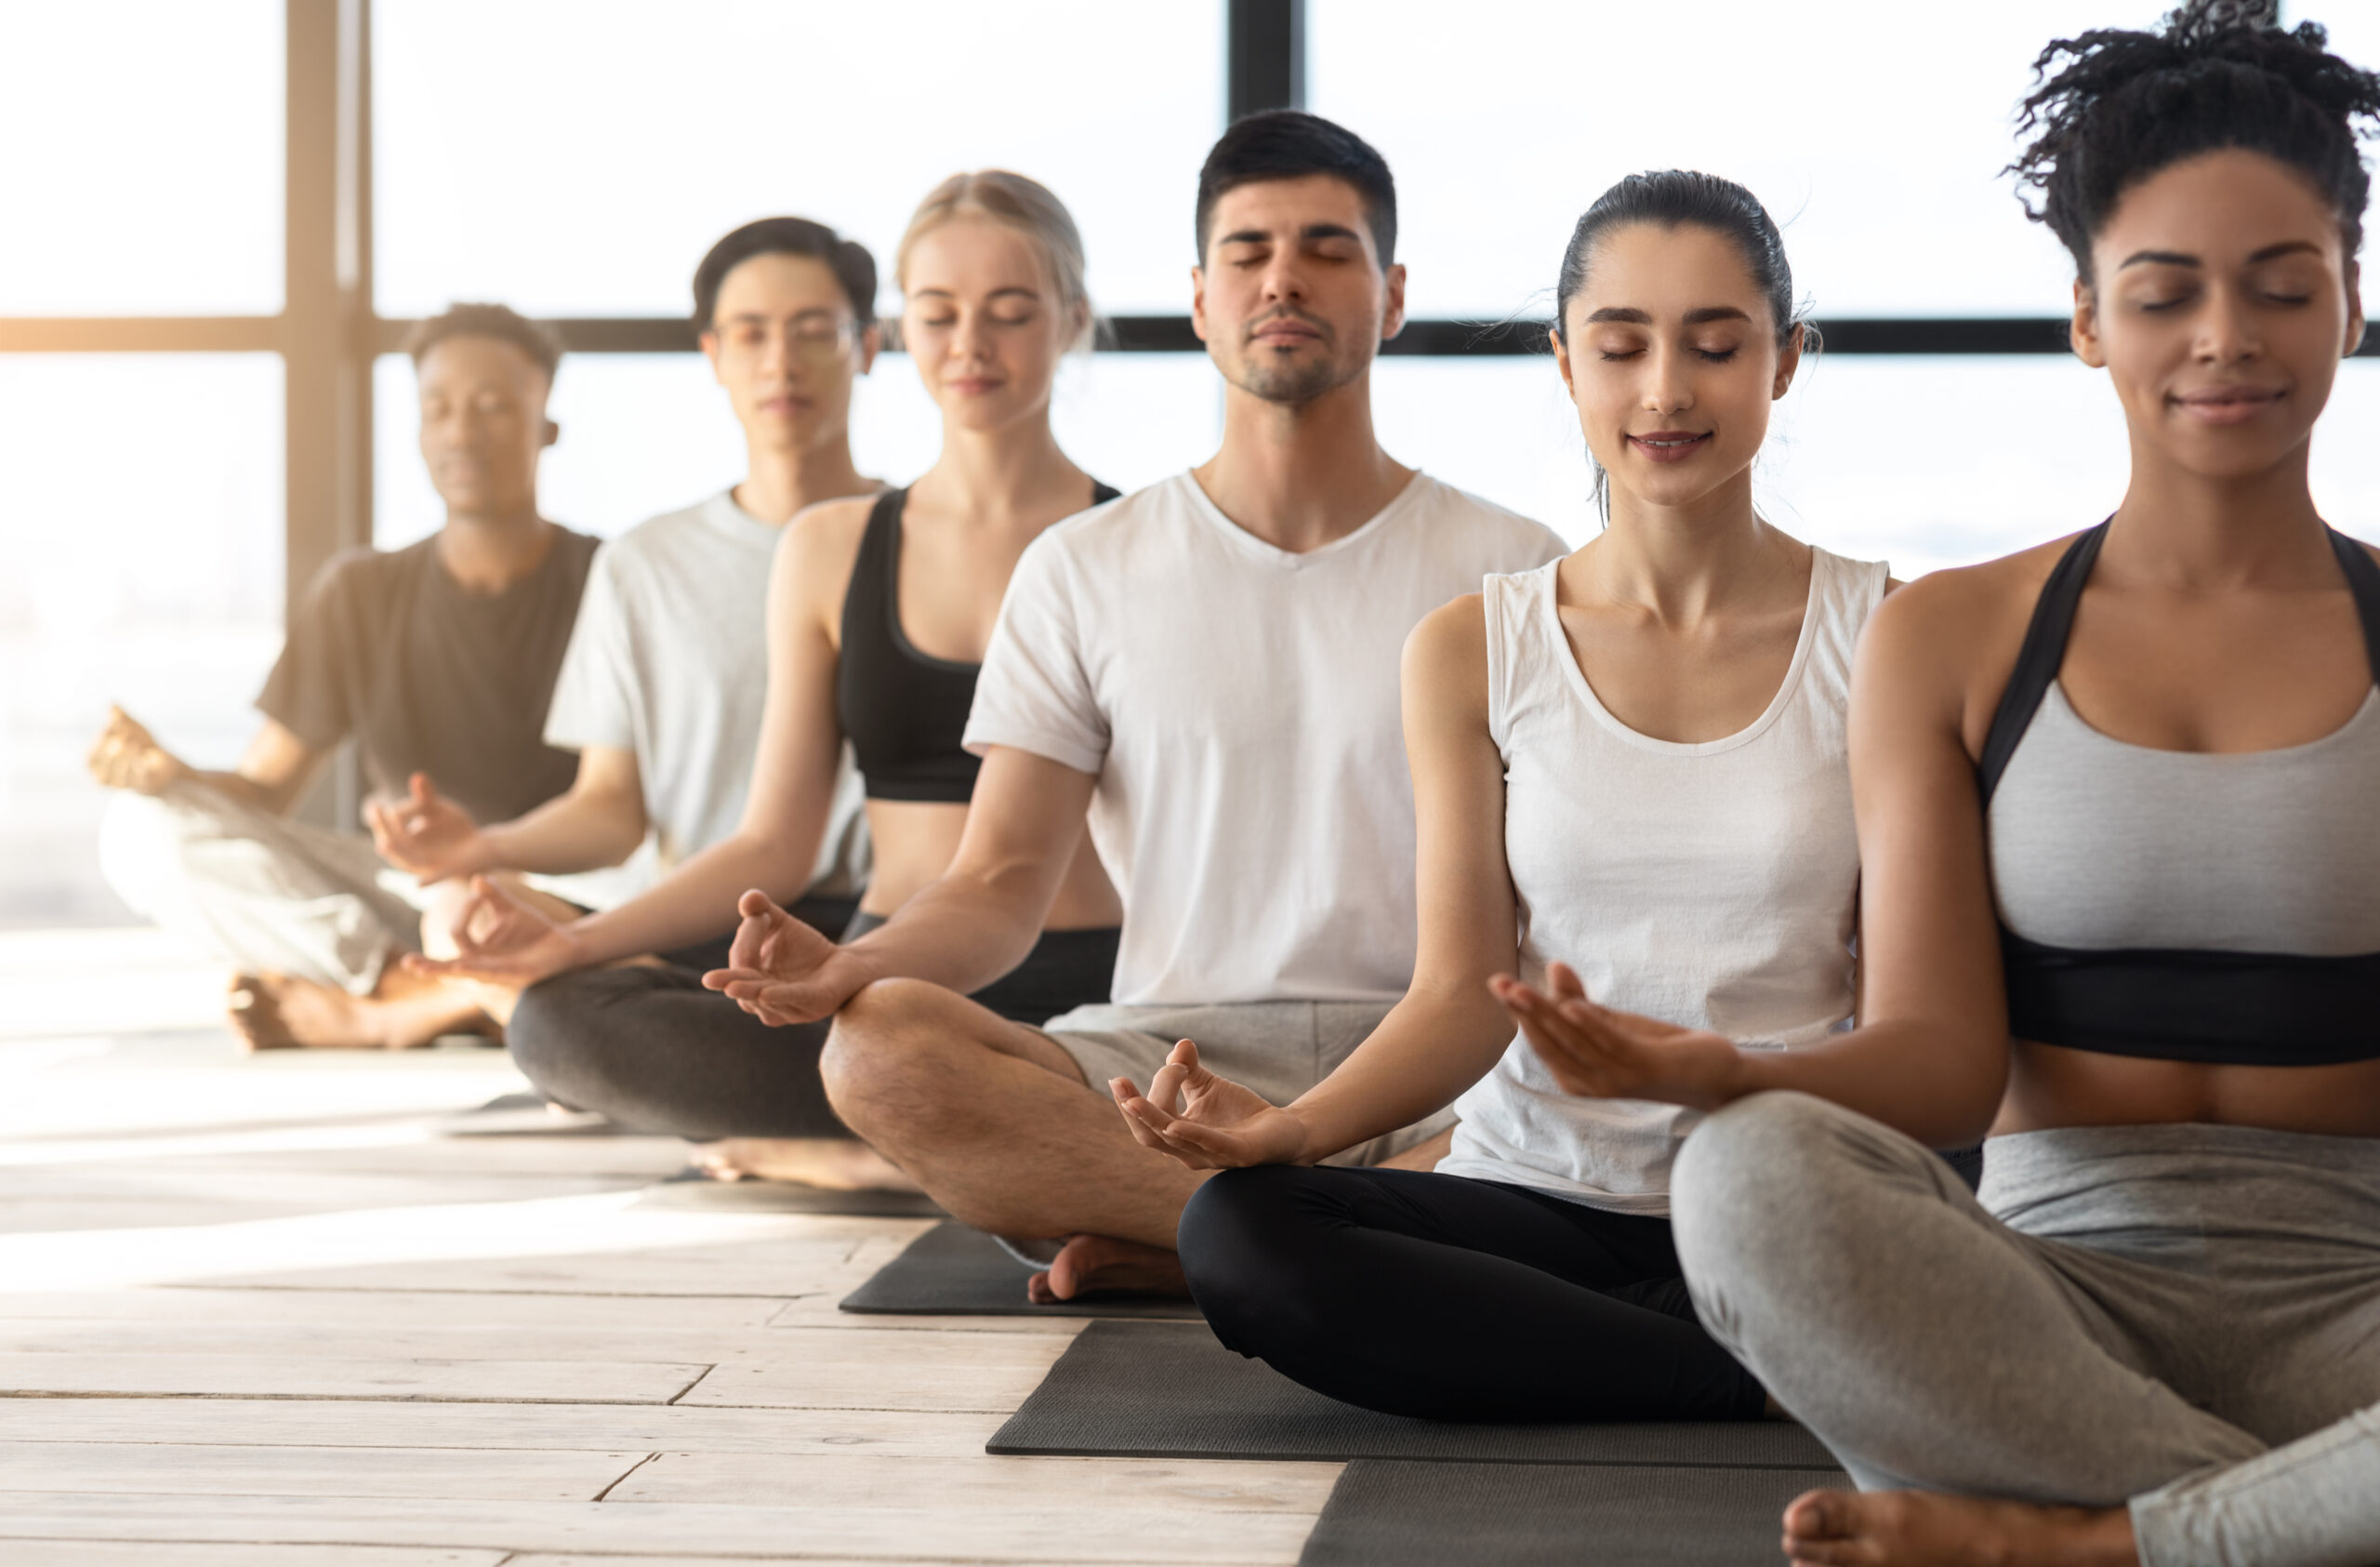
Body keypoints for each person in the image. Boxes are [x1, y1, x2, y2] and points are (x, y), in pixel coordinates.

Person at [1479, 8, 2380, 1564]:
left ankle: (2087, 1545)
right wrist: (1708, 1075)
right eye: (2167, 294)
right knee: (1749, 1179)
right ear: (2091, 321)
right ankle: (2280, 1526)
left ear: (2351, 302)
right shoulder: (1951, 639)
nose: (2225, 336)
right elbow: (1946, 1066)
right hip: (2039, 1321)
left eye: (2282, 289)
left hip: (2357, 1306)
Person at [702, 111, 1567, 1296]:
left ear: (1392, 292)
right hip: (1172, 1059)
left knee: (1627, 1086)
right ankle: (1305, 1237)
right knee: (882, 1055)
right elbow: (1001, 879)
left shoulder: (1516, 562)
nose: (1282, 279)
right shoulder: (1083, 564)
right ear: (1200, 298)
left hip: (1436, 1053)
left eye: (1326, 249)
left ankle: (1226, 1243)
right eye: (1247, 251)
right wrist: (846, 967)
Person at [1117, 171, 1904, 1422]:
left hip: (1795, 1192)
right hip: (1541, 1198)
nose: (1665, 391)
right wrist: (1291, 1132)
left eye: (1715, 344)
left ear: (1786, 362)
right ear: (1564, 363)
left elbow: (1914, 1020)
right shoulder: (1472, 647)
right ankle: (1753, 1372)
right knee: (1242, 1231)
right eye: (1621, 345)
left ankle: (1653, 1348)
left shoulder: (1888, 635)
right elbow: (1458, 996)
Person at [406, 175, 1126, 1193]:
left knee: (1051, 1057)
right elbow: (772, 840)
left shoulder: (1136, 543)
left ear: (1070, 321)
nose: (972, 343)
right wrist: (570, 942)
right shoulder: (830, 547)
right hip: (878, 977)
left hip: (1082, 981)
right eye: (939, 313)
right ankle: (951, 1141)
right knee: (560, 1019)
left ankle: (898, 1149)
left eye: (1010, 311)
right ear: (900, 333)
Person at [373, 219, 880, 1051]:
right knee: (466, 913)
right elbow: (612, 808)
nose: (780, 362)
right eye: (750, 333)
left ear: (866, 346)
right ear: (714, 354)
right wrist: (483, 845)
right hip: (685, 929)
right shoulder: (646, 562)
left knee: (892, 1026)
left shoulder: (925, 543)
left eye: (813, 331)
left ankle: (750, 1100)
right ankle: (776, 1102)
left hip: (869, 930)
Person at [89, 304, 600, 1050]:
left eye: (493, 406)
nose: (462, 430)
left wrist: (496, 865)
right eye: (439, 408)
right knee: (139, 832)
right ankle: (416, 989)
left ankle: (409, 1002)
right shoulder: (361, 592)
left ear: (546, 425)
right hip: (405, 898)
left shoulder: (612, 581)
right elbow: (267, 789)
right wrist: (172, 774)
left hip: (567, 900)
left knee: (474, 909)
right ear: (420, 431)